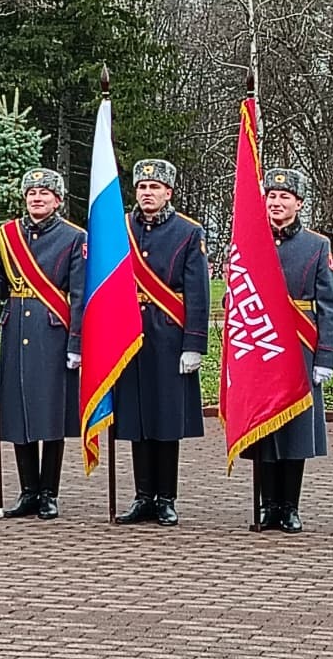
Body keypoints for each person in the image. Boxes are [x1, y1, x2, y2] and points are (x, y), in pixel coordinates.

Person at [242, 167, 333, 534]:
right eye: (272, 197)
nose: (277, 203)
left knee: (294, 429)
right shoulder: (250, 240)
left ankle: (290, 506)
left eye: (285, 197)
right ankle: (268, 506)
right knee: (265, 426)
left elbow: (328, 306)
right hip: (261, 345)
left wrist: (325, 355)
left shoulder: (317, 246)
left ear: (298, 203)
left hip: (300, 348)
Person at [115, 158, 210, 527]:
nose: (147, 193)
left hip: (169, 334)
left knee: (166, 419)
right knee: (137, 418)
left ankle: (166, 497)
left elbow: (198, 293)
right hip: (129, 333)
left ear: (168, 192)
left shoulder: (188, 232)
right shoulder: (120, 227)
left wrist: (194, 344)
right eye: (142, 187)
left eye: (154, 188)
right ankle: (142, 497)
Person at [0, 168, 86, 520]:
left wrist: (76, 342)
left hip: (52, 330)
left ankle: (49, 492)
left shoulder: (74, 238)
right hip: (16, 329)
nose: (37, 197)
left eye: (45, 192)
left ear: (57, 200)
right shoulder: (5, 235)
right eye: (31, 192)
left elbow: (78, 295)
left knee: (50, 415)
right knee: (18, 412)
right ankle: (28, 490)